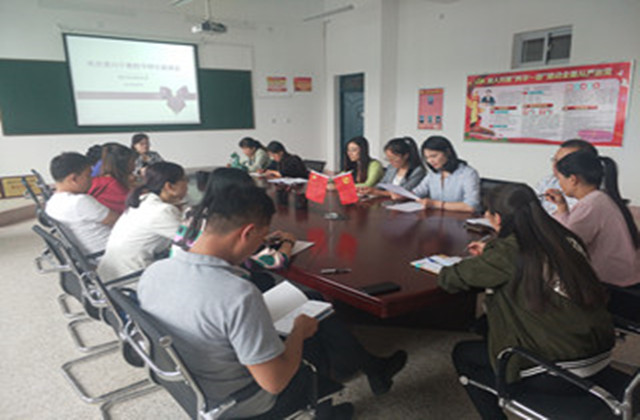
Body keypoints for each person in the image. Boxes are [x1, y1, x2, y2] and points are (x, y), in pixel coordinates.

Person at [138, 184, 407, 419]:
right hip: (240, 400)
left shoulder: (154, 272)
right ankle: (330, 406)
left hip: (188, 382)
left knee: (311, 311)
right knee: (311, 338)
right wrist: (299, 331)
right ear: (247, 233)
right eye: (260, 239)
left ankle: (366, 371)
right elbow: (275, 382)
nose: (259, 246)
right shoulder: (237, 294)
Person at [439, 184, 615, 420]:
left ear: (497, 218)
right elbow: (521, 260)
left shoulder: (509, 252)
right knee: (493, 323)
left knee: (463, 353)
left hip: (559, 373)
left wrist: (488, 255)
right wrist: (492, 251)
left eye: (487, 213)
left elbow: (451, 278)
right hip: (600, 356)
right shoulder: (565, 238)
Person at [546, 151, 640, 288]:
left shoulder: (591, 205)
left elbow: (568, 244)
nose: (559, 185)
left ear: (573, 179)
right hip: (625, 277)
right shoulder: (599, 198)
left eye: (559, 179)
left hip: (612, 284)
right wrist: (561, 207)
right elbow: (571, 233)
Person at [97, 162, 187, 281]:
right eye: (184, 180)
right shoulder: (161, 211)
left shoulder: (143, 201)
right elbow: (191, 242)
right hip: (132, 278)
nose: (187, 184)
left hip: (114, 274)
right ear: (169, 186)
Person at [45, 152, 118, 255]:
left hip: (93, 254)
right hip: (111, 253)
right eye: (88, 175)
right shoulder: (80, 201)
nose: (92, 180)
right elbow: (118, 221)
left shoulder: (51, 204)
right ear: (74, 179)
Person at [409, 136, 480, 212]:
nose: (430, 161)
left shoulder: (468, 173)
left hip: (461, 218)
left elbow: (471, 206)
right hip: (437, 216)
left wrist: (435, 204)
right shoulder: (433, 173)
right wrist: (404, 195)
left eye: (434, 156)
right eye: (427, 158)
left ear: (447, 152)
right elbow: (418, 192)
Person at [535, 139, 598, 214]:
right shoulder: (548, 181)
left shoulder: (591, 192)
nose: (555, 166)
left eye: (562, 162)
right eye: (555, 160)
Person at [360, 137, 425, 197]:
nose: (391, 162)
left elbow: (404, 192)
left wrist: (377, 192)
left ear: (406, 156)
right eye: (388, 159)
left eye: (394, 159)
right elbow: (383, 184)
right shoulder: (391, 167)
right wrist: (371, 189)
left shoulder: (418, 171)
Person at [89, 143, 136, 214]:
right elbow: (133, 205)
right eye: (132, 162)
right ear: (123, 164)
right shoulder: (114, 186)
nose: (134, 167)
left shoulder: (95, 181)